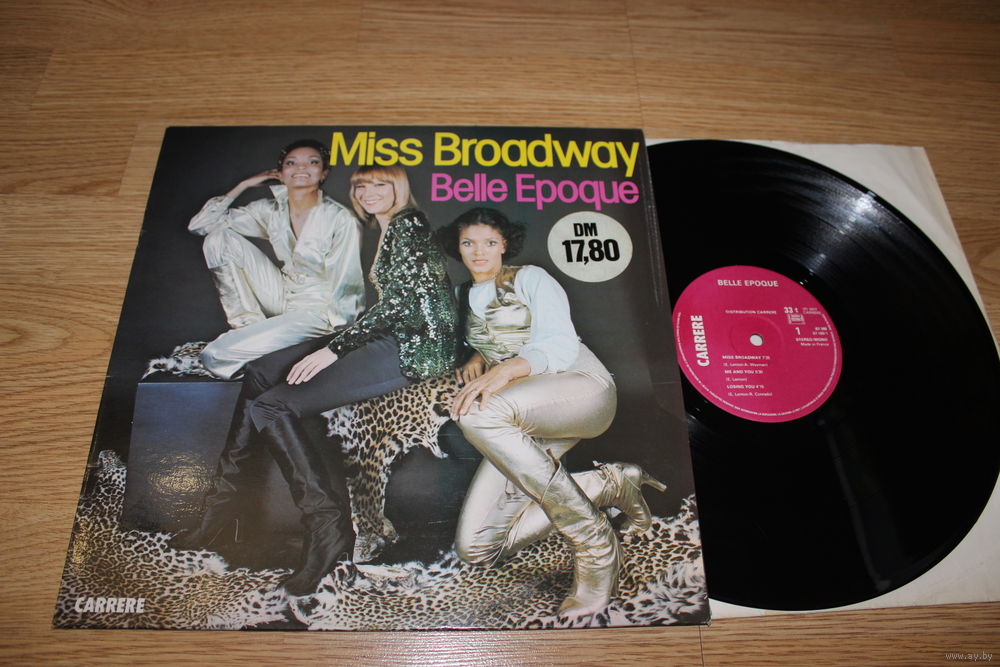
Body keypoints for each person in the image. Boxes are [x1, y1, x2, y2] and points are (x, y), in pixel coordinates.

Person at [172, 166, 458, 596]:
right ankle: (220, 510)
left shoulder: (408, 224)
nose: (369, 192)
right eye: (362, 185)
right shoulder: (386, 228)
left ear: (399, 188)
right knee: (261, 371)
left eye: (381, 184)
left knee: (272, 406)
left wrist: (336, 348)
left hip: (415, 348)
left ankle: (328, 528)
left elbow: (402, 304)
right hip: (392, 334)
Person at [438, 207, 665, 620]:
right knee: (477, 548)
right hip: (522, 417)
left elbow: (559, 344)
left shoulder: (530, 278)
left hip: (580, 388)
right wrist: (478, 356)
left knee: (475, 414)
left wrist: (503, 371)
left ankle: (595, 545)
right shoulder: (462, 295)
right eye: (468, 242)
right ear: (458, 247)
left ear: (504, 245)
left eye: (489, 242)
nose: (479, 251)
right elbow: (494, 334)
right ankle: (610, 483)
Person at [188, 139, 365, 379]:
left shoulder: (341, 218)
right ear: (280, 174)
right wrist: (243, 185)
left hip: (319, 312)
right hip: (282, 295)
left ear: (323, 173)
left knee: (215, 355)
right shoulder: (269, 210)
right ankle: (247, 327)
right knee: (218, 239)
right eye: (291, 163)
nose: (301, 168)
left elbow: (348, 281)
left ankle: (252, 351)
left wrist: (338, 340)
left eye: (312, 162)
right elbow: (201, 226)